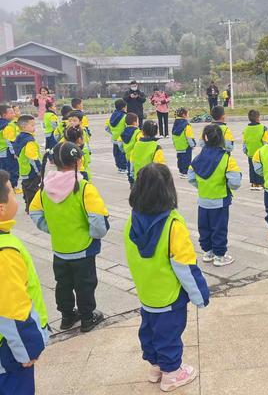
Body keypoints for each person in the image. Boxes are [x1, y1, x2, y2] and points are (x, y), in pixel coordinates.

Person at [125, 163, 209, 391]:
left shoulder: (131, 222)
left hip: (146, 292)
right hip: (169, 296)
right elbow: (185, 266)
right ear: (168, 190)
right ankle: (172, 373)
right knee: (169, 333)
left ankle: (155, 367)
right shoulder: (173, 225)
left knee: (149, 330)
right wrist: (200, 294)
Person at [29, 142, 109, 333]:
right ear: (79, 161)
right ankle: (87, 318)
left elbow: (34, 212)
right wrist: (93, 235)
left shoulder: (45, 187)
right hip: (83, 248)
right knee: (85, 284)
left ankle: (67, 316)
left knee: (62, 283)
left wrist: (53, 229)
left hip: (60, 248)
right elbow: (98, 221)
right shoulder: (83, 187)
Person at [0, 170, 49, 394]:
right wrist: (28, 349)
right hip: (10, 348)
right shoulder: (5, 251)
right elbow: (12, 311)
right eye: (11, 192)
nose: (15, 196)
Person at [188, 124, 242, 267]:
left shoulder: (197, 159)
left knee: (204, 227)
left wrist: (202, 187)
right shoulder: (226, 158)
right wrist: (227, 186)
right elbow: (235, 182)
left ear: (204, 138)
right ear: (221, 139)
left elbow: (191, 177)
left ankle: (207, 252)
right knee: (219, 227)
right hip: (220, 200)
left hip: (203, 200)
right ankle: (219, 256)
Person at [13, 115, 41, 213]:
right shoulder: (29, 141)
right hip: (31, 170)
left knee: (26, 187)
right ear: (24, 127)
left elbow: (15, 152)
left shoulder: (19, 137)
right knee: (33, 189)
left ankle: (28, 206)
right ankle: (32, 207)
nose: (34, 127)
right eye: (32, 125)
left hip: (23, 169)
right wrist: (39, 170)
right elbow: (33, 158)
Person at [242, 109, 268, 190]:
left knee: (252, 168)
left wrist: (245, 151)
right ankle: (261, 182)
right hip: (260, 153)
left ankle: (254, 183)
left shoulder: (246, 129)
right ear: (258, 118)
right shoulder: (263, 128)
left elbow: (245, 141)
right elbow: (265, 141)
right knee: (260, 168)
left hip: (250, 153)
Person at [172, 108, 195, 179]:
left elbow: (173, 135)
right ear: (184, 115)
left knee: (180, 159)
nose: (188, 115)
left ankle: (181, 172)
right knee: (187, 159)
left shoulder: (175, 124)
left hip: (178, 145)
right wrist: (192, 144)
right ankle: (185, 172)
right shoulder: (186, 125)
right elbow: (189, 136)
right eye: (187, 113)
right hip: (186, 145)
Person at [105, 99, 128, 173]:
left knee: (116, 153)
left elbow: (107, 128)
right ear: (124, 107)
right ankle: (124, 167)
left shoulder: (112, 116)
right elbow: (127, 127)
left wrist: (113, 133)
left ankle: (119, 167)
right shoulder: (125, 116)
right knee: (123, 153)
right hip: (122, 139)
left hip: (114, 138)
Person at [119, 113, 142, 188]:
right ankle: (137, 183)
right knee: (136, 170)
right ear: (135, 123)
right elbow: (140, 142)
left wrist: (123, 150)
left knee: (129, 169)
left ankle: (131, 183)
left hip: (128, 155)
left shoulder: (123, 132)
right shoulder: (138, 132)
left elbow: (119, 143)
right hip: (136, 155)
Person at [8, 105, 21, 194]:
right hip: (11, 149)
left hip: (15, 147)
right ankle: (13, 186)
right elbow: (11, 139)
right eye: (16, 111)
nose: (18, 112)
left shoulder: (17, 122)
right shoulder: (12, 124)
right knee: (13, 168)